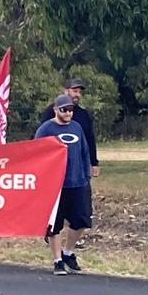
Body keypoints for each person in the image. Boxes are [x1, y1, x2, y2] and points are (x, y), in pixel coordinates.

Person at [35, 95, 91, 275]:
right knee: (55, 224)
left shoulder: (77, 127)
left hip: (77, 182)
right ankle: (57, 260)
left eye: (70, 110)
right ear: (56, 109)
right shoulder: (46, 129)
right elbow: (36, 154)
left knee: (81, 221)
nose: (68, 113)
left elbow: (84, 151)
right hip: (56, 185)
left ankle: (68, 252)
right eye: (64, 110)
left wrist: (86, 174)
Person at [41, 77, 99, 249]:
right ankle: (57, 251)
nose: (77, 94)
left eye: (79, 91)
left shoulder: (82, 116)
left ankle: (68, 250)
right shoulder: (49, 116)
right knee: (57, 218)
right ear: (65, 90)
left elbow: (89, 140)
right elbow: (39, 144)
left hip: (77, 173)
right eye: (74, 90)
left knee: (82, 217)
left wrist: (93, 162)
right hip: (56, 176)